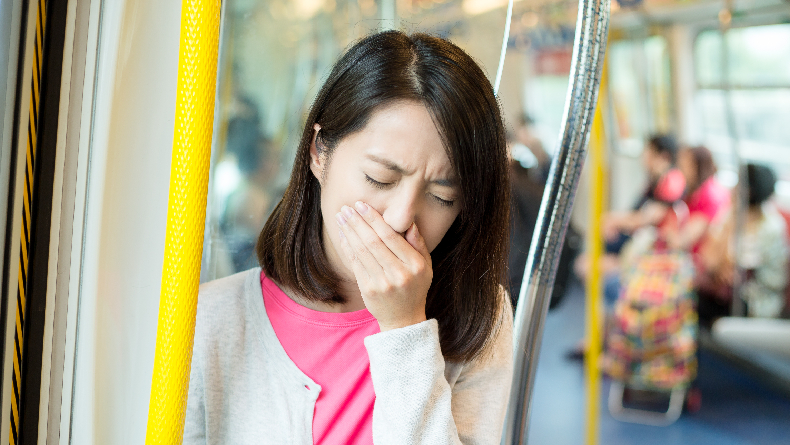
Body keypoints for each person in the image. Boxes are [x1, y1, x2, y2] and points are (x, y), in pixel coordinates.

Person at [184, 31, 514, 445]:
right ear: (319, 152)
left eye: (441, 196)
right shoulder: (209, 319)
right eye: (380, 178)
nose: (399, 219)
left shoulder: (480, 317)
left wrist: (404, 326)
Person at [697, 164, 788, 320]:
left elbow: (735, 275)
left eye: (739, 183)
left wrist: (718, 261)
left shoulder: (768, 226)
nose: (733, 189)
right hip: (729, 288)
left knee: (698, 301)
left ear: (749, 191)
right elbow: (708, 254)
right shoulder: (734, 212)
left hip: (755, 299)